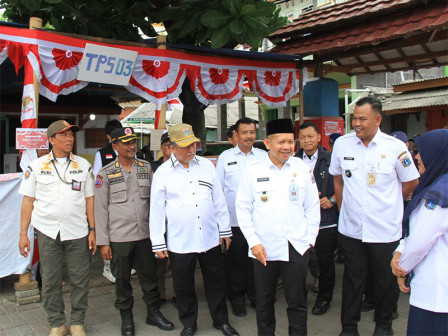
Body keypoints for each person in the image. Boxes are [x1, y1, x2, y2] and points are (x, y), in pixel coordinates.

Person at [329, 97, 420, 336]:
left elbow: (411, 181)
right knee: (352, 282)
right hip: (351, 230)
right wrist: (343, 208)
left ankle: (384, 326)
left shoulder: (395, 147)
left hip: (385, 230)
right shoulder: (342, 144)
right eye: (354, 118)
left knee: (384, 283)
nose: (356, 124)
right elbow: (337, 179)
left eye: (362, 119)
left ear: (377, 119)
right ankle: (349, 329)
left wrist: (390, 203)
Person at [150, 124, 239, 336]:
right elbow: (156, 210)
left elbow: (218, 199)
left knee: (216, 281)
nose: (191, 150)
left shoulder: (207, 167)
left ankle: (221, 320)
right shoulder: (163, 173)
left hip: (209, 237)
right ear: (171, 147)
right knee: (183, 285)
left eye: (193, 144)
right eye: (184, 146)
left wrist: (225, 230)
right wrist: (158, 242)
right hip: (180, 241)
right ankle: (189, 323)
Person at [236, 118, 321, 336]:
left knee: (297, 301)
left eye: (291, 142)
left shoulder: (301, 169)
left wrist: (310, 238)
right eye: (281, 142)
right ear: (267, 143)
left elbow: (312, 207)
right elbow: (243, 209)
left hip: (296, 245)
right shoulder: (253, 170)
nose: (287, 147)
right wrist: (253, 242)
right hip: (263, 248)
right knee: (264, 302)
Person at [18, 120, 96, 336]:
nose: (69, 138)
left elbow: (90, 199)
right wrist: (23, 233)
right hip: (47, 230)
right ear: (51, 140)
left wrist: (92, 230)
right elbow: (28, 201)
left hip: (78, 231)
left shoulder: (83, 165)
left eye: (71, 134)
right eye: (63, 135)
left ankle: (77, 322)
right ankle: (57, 323)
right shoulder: (35, 167)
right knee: (50, 280)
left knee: (80, 279)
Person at [95, 127, 174, 336]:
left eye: (134, 142)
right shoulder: (105, 173)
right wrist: (103, 242)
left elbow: (156, 203)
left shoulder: (146, 167)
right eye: (126, 143)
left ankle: (153, 312)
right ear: (115, 145)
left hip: (145, 235)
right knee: (122, 279)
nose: (132, 146)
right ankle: (126, 316)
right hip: (120, 237)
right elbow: (100, 210)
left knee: (149, 276)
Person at [391, 129, 448, 336]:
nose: (415, 157)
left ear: (437, 154)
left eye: (420, 152)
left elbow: (420, 241)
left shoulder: (438, 196)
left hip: (436, 295)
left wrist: (401, 267)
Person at [216, 117, 267, 317]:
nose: (249, 136)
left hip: (258, 222)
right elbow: (218, 191)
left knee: (256, 261)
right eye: (244, 132)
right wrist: (222, 226)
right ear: (236, 134)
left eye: (252, 132)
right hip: (234, 222)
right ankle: (236, 298)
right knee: (235, 263)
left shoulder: (264, 156)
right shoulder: (225, 157)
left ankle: (255, 296)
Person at [295, 122, 339, 316]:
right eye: (303, 137)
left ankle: (324, 297)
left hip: (325, 220)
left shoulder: (330, 159)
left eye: (310, 136)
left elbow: (345, 183)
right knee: (298, 262)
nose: (307, 141)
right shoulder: (293, 160)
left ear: (319, 137)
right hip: (299, 220)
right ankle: (299, 296)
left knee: (325, 262)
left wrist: (333, 199)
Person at [92, 119, 123, 283]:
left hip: (124, 200)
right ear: (108, 136)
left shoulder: (129, 151)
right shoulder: (102, 154)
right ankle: (107, 267)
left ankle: (121, 265)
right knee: (108, 234)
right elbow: (97, 179)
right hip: (109, 199)